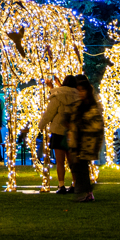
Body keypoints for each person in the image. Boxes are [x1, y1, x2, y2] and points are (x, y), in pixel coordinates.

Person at [37, 75, 79, 193]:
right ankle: (75, 183)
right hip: (73, 132)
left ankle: (61, 186)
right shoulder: (78, 96)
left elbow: (49, 113)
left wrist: (41, 125)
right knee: (72, 161)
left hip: (58, 131)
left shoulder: (57, 95)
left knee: (60, 161)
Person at [65, 75, 104, 203]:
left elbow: (96, 125)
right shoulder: (79, 105)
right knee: (77, 166)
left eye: (82, 90)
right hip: (78, 140)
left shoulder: (92, 106)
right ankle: (85, 190)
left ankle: (86, 191)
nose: (80, 93)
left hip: (87, 141)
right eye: (79, 90)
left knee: (81, 167)